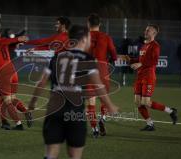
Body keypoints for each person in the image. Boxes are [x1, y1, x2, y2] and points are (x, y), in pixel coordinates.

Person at [27, 25, 118, 159]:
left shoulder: (57, 57)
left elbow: (41, 83)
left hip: (54, 110)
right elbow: (98, 86)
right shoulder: (87, 58)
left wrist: (32, 103)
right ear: (85, 39)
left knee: (51, 153)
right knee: (74, 155)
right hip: (74, 112)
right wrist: (109, 106)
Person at [127, 24, 178, 131]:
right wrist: (130, 59)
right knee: (137, 102)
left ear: (154, 33)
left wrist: (140, 64)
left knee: (146, 102)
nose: (145, 32)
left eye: (148, 30)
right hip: (139, 76)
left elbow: (154, 61)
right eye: (145, 30)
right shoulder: (144, 45)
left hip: (149, 77)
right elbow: (140, 59)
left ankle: (171, 111)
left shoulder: (155, 45)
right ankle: (150, 124)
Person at [86, 13, 118, 137]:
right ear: (99, 24)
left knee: (91, 102)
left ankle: (94, 130)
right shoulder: (106, 37)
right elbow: (114, 54)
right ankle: (102, 118)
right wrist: (109, 59)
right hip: (103, 69)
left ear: (88, 24)